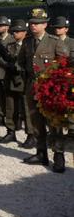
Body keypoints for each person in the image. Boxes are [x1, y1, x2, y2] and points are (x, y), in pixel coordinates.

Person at [21, 9, 68, 172]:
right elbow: (21, 62)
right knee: (36, 121)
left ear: (45, 25)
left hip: (50, 89)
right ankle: (41, 153)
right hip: (32, 87)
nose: (33, 26)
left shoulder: (54, 42)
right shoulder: (27, 42)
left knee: (54, 123)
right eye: (31, 23)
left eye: (37, 23)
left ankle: (59, 155)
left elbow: (64, 64)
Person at [0, 19, 29, 145]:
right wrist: (7, 64)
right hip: (10, 80)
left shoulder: (29, 46)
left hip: (24, 81)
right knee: (10, 107)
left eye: (18, 31)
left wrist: (17, 67)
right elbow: (1, 60)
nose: (15, 33)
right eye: (14, 31)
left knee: (26, 108)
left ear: (25, 32)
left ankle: (30, 134)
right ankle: (11, 131)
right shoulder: (10, 46)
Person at [0, 16, 15, 127]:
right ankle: (0, 116)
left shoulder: (12, 40)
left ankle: (13, 118)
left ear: (7, 27)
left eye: (1, 25)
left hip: (8, 72)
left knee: (10, 97)